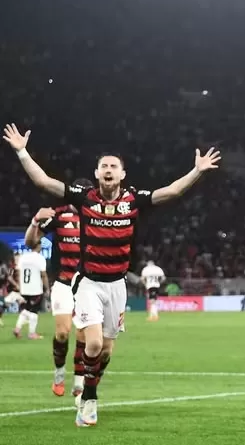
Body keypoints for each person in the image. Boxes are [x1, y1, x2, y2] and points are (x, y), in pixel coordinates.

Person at [4, 122, 220, 427]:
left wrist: (196, 171)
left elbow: (171, 192)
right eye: (103, 165)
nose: (108, 169)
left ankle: (89, 388)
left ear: (122, 174)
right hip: (88, 283)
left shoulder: (133, 200)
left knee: (105, 351)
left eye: (113, 166)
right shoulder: (84, 198)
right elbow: (45, 182)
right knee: (91, 344)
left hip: (117, 286)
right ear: (96, 174)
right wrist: (22, 152)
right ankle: (89, 400)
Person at [25, 189, 90, 396]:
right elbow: (30, 243)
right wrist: (35, 220)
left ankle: (79, 382)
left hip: (87, 284)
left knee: (82, 334)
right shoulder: (58, 215)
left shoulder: (96, 216)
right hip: (63, 284)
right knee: (63, 332)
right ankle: (59, 374)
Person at [13, 241, 47, 340]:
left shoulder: (23, 257)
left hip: (24, 288)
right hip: (35, 289)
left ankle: (17, 329)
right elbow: (43, 275)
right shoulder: (40, 258)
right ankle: (32, 334)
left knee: (26, 309)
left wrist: (20, 286)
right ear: (39, 246)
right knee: (33, 311)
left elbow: (18, 272)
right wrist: (47, 287)